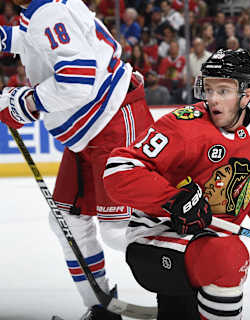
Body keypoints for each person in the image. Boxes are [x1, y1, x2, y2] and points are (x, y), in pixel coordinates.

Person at [103, 48, 250, 319]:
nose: (213, 100)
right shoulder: (183, 126)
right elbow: (118, 170)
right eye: (209, 89)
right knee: (228, 257)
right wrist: (172, 201)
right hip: (156, 239)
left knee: (223, 258)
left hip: (209, 244)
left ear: (246, 93)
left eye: (224, 90)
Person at [0, 0, 154, 319]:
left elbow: (76, 80)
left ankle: (195, 268)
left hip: (111, 120)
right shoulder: (48, 8)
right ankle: (100, 307)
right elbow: (34, 40)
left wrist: (23, 106)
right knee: (65, 219)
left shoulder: (47, 13)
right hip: (90, 129)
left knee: (118, 231)